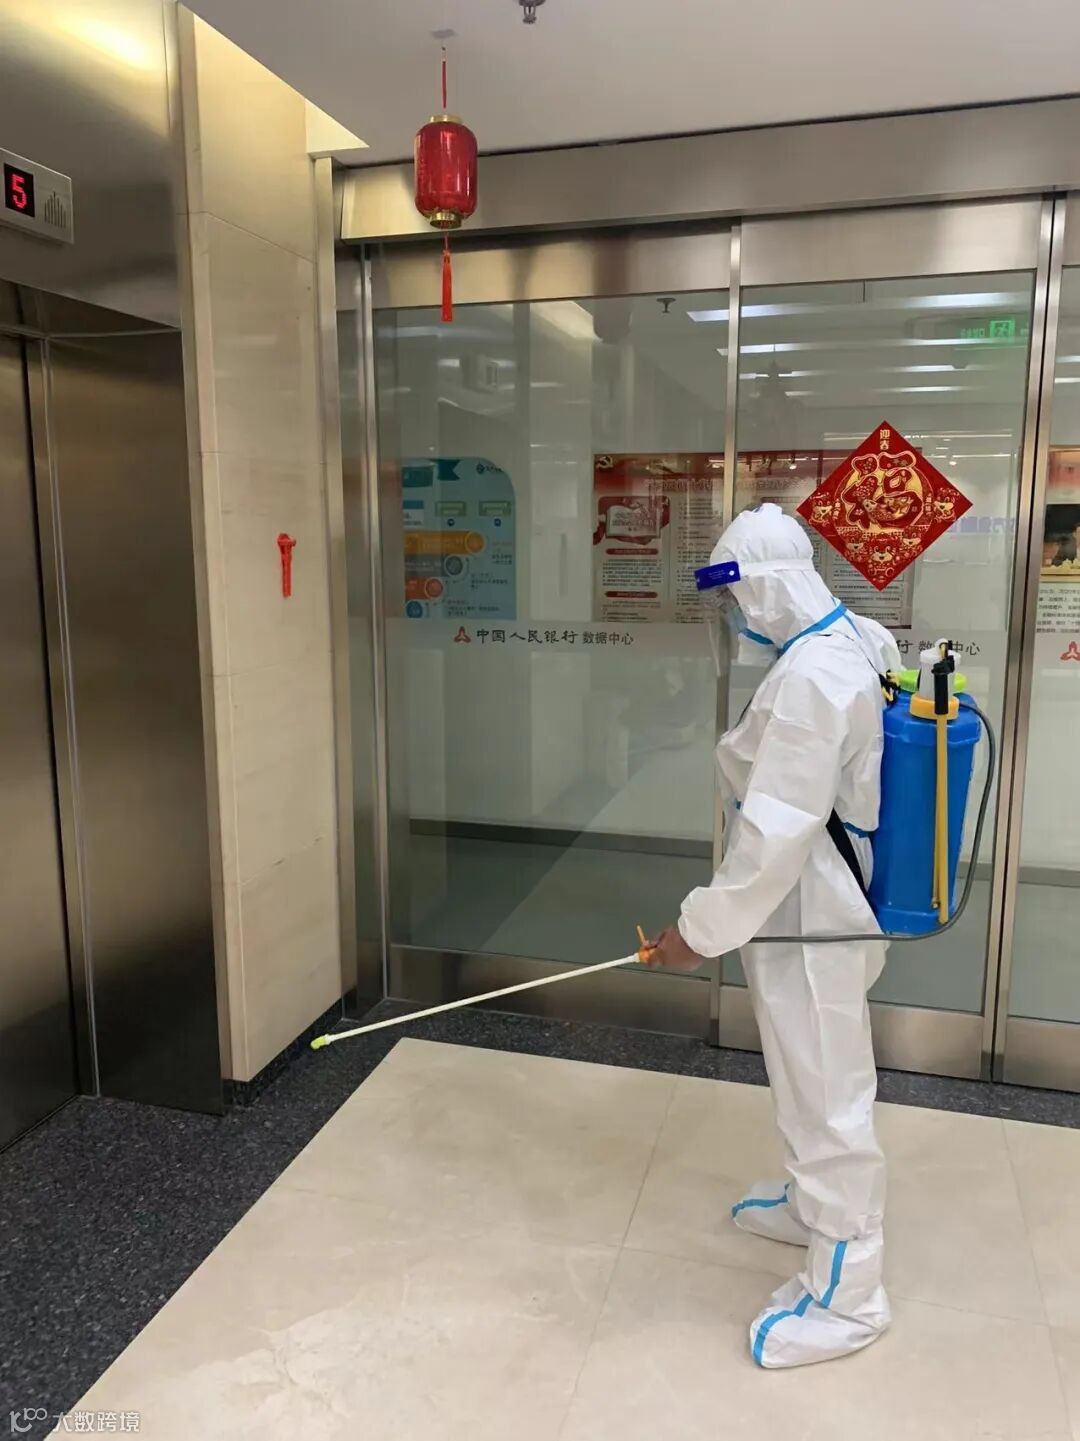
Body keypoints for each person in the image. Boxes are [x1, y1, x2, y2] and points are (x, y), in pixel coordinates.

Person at [645, 502, 901, 1370]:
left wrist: (695, 933)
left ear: (764, 588)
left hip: (813, 913)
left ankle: (849, 1295)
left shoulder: (811, 682)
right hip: (817, 906)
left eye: (734, 597)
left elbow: (773, 837)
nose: (733, 614)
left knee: (829, 1089)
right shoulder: (856, 637)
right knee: (805, 1068)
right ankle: (811, 1206)